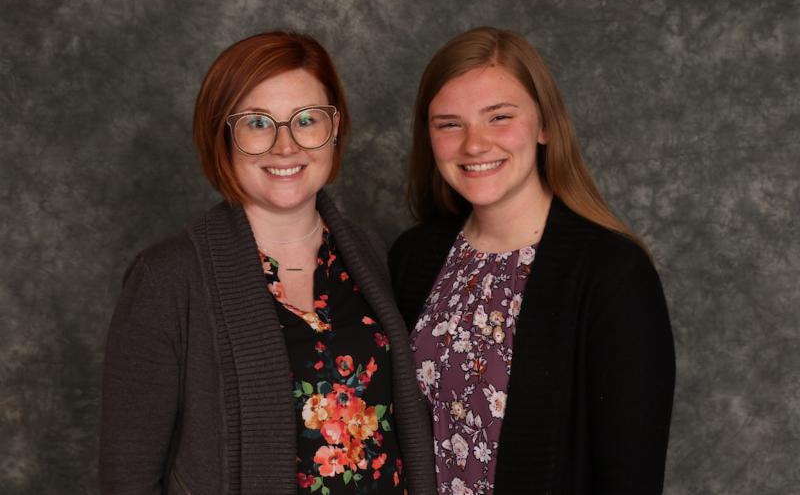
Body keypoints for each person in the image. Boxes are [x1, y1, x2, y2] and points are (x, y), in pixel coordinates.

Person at [100, 31, 435, 495]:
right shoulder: (166, 278)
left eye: (307, 120)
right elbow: (128, 477)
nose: (285, 146)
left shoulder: (369, 253)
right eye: (258, 123)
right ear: (223, 136)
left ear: (334, 128)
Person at [388, 27, 675, 494]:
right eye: (450, 124)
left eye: (499, 117)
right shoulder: (412, 258)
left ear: (544, 125)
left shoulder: (612, 274)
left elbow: (631, 478)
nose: (474, 144)